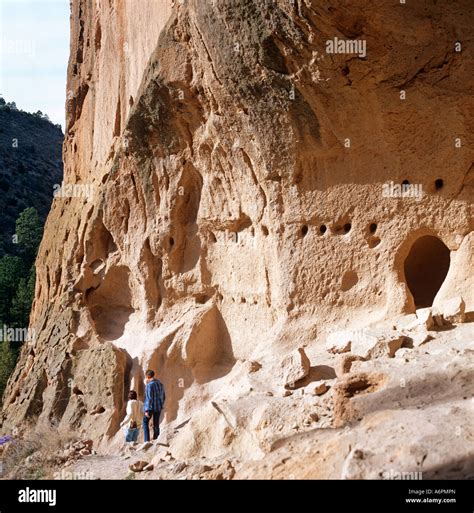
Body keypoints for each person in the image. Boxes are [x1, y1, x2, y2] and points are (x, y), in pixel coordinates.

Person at [143, 369, 166, 442]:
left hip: (150, 407)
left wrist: (146, 410)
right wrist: (161, 403)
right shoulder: (160, 383)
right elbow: (163, 396)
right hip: (158, 407)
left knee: (145, 421)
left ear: (147, 377)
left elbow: (149, 398)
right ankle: (157, 439)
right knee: (156, 423)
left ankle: (147, 440)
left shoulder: (149, 385)